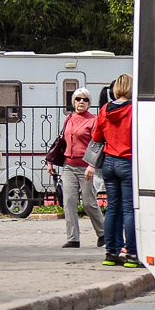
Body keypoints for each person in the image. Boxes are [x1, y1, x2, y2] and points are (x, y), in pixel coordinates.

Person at [92, 73, 137, 268]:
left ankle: (111, 252)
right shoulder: (133, 110)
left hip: (109, 162)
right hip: (127, 161)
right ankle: (132, 254)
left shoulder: (104, 110)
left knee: (112, 208)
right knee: (129, 209)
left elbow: (97, 136)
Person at [51, 87, 105, 248]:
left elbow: (97, 144)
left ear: (89, 104)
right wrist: (50, 162)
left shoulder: (94, 120)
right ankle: (73, 238)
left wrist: (92, 165)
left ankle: (102, 233)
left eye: (85, 100)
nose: (81, 102)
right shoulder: (68, 119)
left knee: (89, 203)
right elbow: (61, 142)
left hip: (86, 167)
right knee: (68, 201)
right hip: (69, 165)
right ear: (73, 102)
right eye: (78, 99)